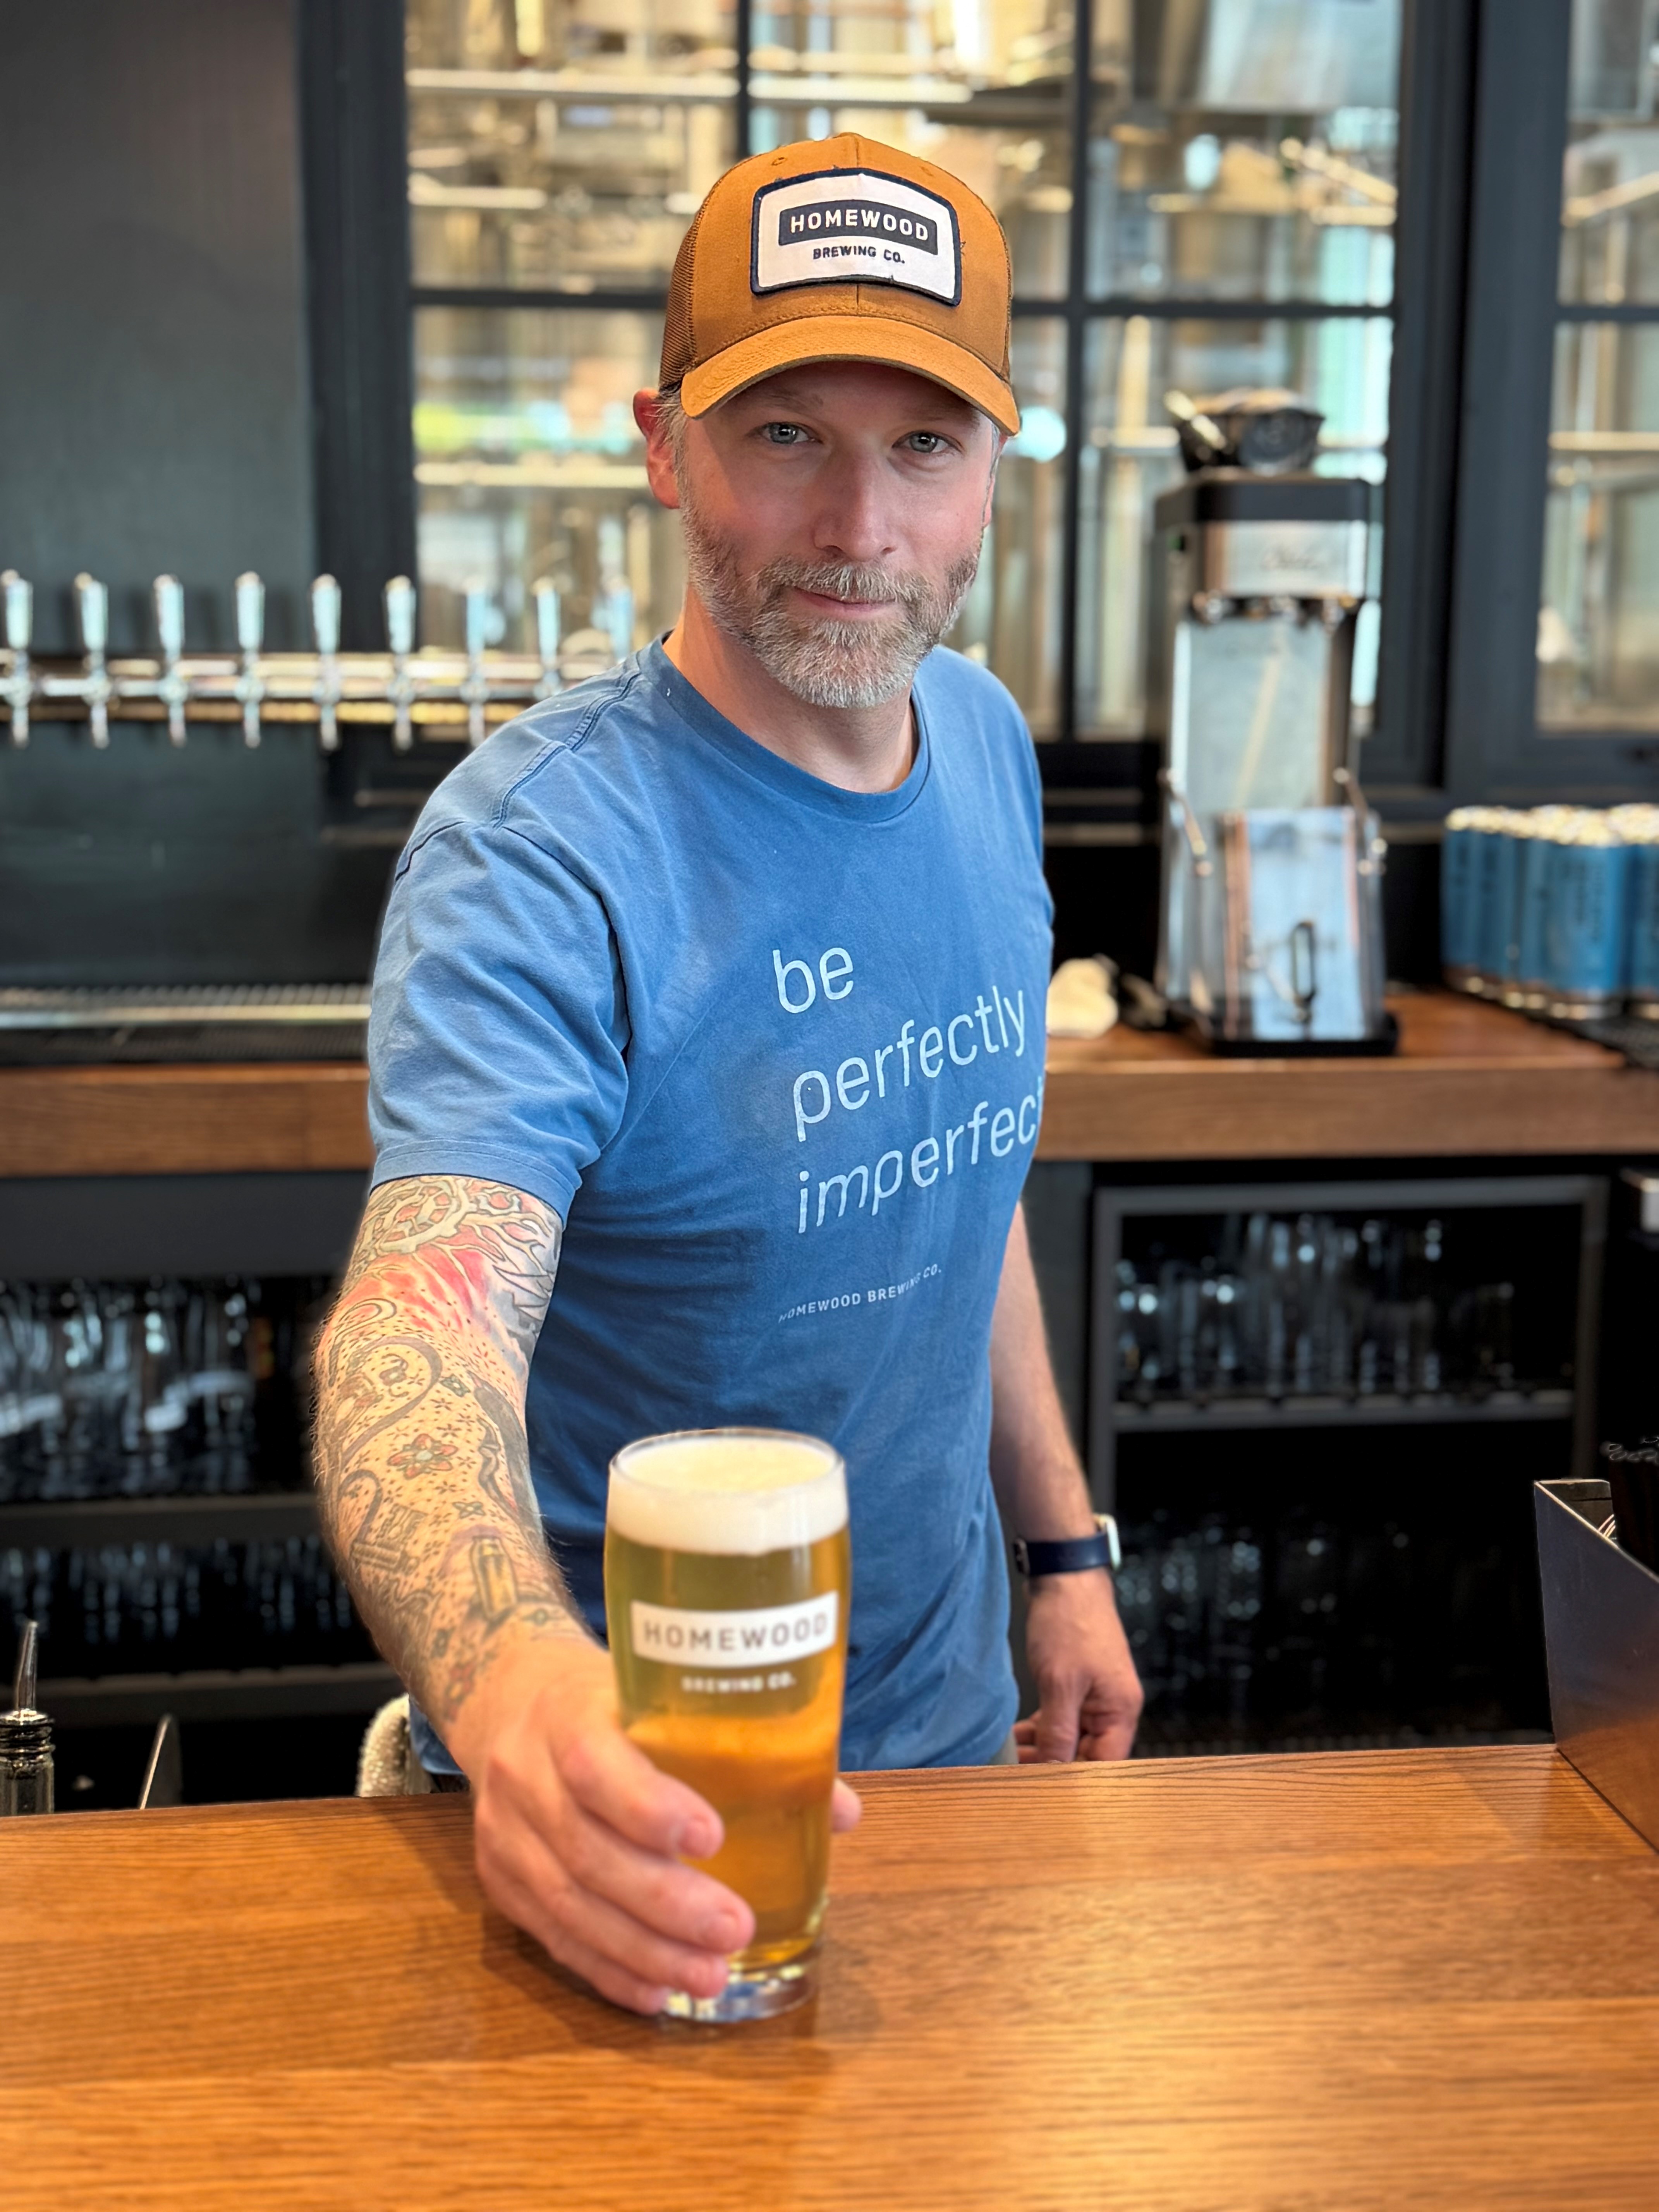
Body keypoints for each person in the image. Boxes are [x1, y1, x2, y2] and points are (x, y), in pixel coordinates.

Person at [314, 132, 1143, 2017]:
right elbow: (419, 1329)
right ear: (662, 440)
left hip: (945, 1752)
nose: (862, 525)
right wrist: (520, 1691)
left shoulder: (985, 743)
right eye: (786, 436)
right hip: (625, 1815)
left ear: (996, 472)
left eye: (924, 446)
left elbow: (961, 1174)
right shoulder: (541, 855)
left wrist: (1064, 1546)